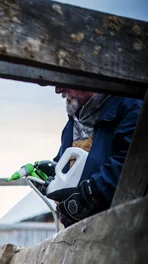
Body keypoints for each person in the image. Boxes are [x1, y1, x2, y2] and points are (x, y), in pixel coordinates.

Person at [11, 89, 142, 228]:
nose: (58, 90)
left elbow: (135, 162)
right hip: (81, 231)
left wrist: (92, 192)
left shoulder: (132, 107)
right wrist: (55, 177)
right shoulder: (73, 124)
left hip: (122, 228)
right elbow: (71, 168)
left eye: (64, 80)